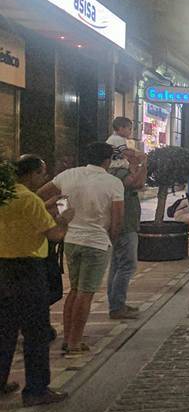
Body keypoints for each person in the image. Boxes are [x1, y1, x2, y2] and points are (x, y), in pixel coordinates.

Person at [0, 155, 74, 406]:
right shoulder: (28, 199)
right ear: (31, 174)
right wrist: (64, 218)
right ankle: (36, 389)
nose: (43, 178)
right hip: (28, 268)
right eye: (42, 174)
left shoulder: (5, 193)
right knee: (36, 331)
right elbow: (54, 234)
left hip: (3, 266)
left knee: (5, 330)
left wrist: (49, 205)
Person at [38, 143, 124, 358]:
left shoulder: (68, 175)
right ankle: (75, 343)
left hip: (71, 239)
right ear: (107, 160)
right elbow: (117, 220)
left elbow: (40, 195)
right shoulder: (113, 183)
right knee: (86, 293)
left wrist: (63, 212)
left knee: (75, 290)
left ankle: (68, 338)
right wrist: (109, 238)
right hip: (96, 241)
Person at [106, 146, 148, 320]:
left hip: (125, 224)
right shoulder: (119, 172)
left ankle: (117, 303)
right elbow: (137, 183)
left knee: (117, 265)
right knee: (127, 265)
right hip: (124, 225)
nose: (135, 153)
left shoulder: (119, 171)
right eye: (131, 152)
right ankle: (116, 306)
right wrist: (144, 164)